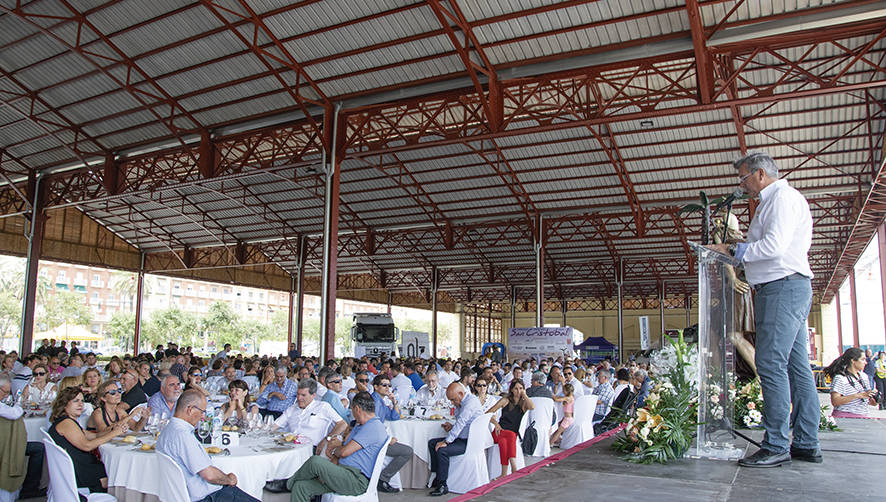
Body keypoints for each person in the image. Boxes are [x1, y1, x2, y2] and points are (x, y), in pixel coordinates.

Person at [708, 151, 820, 468]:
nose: (741, 184)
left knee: (769, 363)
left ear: (759, 174)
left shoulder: (782, 199)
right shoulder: (772, 202)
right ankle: (807, 442)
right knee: (797, 368)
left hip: (782, 286)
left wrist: (730, 249)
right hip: (785, 287)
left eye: (743, 177)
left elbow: (774, 247)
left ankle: (776, 444)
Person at [282, 391, 387, 502]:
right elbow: (341, 453)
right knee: (301, 487)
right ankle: (293, 483)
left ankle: (287, 484)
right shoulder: (361, 425)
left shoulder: (373, 427)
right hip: (342, 474)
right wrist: (327, 469)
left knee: (315, 461)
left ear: (357, 409)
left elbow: (343, 452)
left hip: (355, 480)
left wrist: (335, 449)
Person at [156, 390, 259, 502]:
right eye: (202, 412)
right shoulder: (182, 435)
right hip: (207, 497)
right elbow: (209, 475)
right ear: (190, 409)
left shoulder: (168, 430)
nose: (202, 417)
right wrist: (229, 479)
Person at [48, 386, 127, 492]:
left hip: (77, 466)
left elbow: (94, 436)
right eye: (76, 401)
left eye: (82, 401)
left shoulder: (68, 421)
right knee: (120, 477)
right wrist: (114, 433)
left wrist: (114, 428)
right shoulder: (66, 423)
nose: (81, 404)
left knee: (116, 471)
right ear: (64, 404)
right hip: (79, 473)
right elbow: (87, 446)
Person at [427, 382, 484, 496]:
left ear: (461, 394)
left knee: (442, 450)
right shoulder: (461, 403)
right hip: (462, 437)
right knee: (432, 443)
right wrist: (452, 427)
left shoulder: (470, 402)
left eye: (453, 400)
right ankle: (437, 475)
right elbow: (462, 424)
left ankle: (442, 485)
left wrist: (446, 441)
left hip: (469, 442)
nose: (452, 403)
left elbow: (462, 422)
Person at [0, 374, 45, 498]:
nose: (6, 395)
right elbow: (15, 413)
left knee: (37, 448)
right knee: (38, 448)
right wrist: (20, 403)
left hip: (5, 443)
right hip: (5, 447)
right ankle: (29, 489)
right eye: (5, 392)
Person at [366, 376, 412, 494]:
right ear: (376, 387)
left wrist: (394, 402)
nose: (388, 388)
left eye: (389, 385)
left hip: (377, 436)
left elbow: (394, 416)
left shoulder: (380, 400)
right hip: (373, 440)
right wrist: (388, 439)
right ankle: (383, 478)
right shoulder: (375, 402)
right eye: (384, 385)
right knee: (407, 451)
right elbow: (372, 425)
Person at [271, 379, 346, 449]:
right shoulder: (292, 408)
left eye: (303, 395)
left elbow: (342, 424)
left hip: (311, 448)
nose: (299, 398)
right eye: (298, 394)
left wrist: (327, 439)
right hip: (290, 447)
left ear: (313, 395)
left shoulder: (322, 406)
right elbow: (274, 426)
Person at [487, 379, 534, 479]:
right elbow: (488, 413)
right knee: (510, 435)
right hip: (499, 432)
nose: (518, 391)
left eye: (521, 388)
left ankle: (503, 474)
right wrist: (496, 424)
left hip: (509, 435)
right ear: (512, 390)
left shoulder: (524, 404)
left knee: (504, 442)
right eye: (516, 389)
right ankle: (514, 466)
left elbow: (532, 407)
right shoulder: (505, 400)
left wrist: (524, 395)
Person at [824, 347, 877, 418]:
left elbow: (866, 400)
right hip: (844, 417)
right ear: (853, 361)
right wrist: (857, 395)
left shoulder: (864, 376)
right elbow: (835, 401)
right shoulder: (840, 378)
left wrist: (874, 400)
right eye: (863, 359)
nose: (865, 362)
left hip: (863, 416)